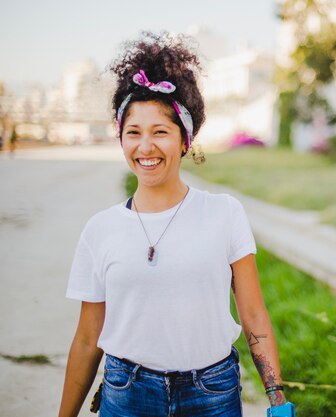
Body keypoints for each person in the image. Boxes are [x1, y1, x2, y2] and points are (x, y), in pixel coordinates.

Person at [58, 32, 295, 417]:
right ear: (120, 139)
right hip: (126, 392)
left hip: (212, 394)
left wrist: (277, 400)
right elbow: (87, 340)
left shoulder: (224, 213)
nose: (145, 147)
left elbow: (253, 316)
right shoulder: (99, 230)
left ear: (185, 140)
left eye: (160, 132)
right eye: (133, 133)